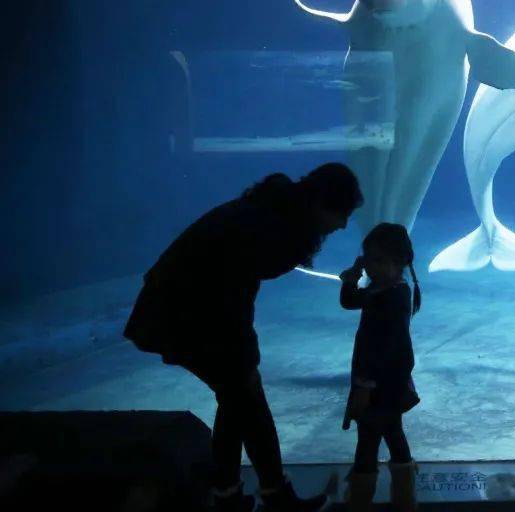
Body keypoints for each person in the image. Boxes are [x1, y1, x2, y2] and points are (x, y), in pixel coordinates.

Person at [123, 163, 362, 512]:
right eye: (341, 214)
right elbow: (228, 293)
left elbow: (233, 286)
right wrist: (243, 353)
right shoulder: (269, 228)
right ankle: (274, 495)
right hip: (180, 315)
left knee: (235, 399)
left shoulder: (271, 214)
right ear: (321, 203)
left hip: (184, 311)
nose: (342, 225)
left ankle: (229, 494)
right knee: (247, 399)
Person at [339, 223, 422, 512]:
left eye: (378, 261)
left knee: (369, 439)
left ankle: (361, 500)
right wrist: (352, 277)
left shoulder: (393, 295)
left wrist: (365, 386)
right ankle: (405, 500)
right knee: (393, 435)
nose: (371, 267)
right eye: (369, 259)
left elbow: (386, 347)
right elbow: (349, 301)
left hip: (380, 385)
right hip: (387, 384)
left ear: (399, 262)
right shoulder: (383, 288)